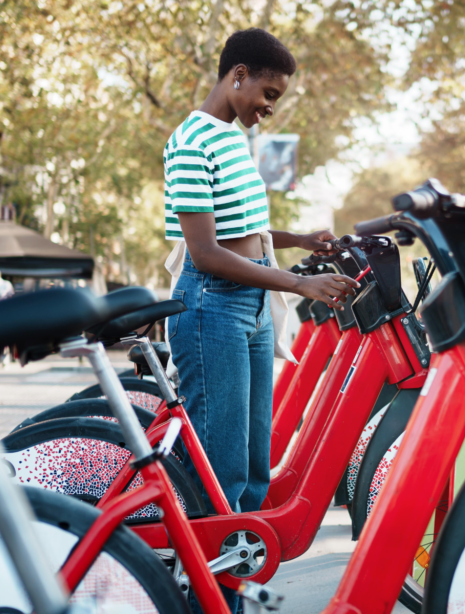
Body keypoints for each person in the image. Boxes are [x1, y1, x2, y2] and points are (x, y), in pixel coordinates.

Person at [163, 28, 359, 611]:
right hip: (211, 305)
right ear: (238, 75)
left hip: (246, 307)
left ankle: (236, 592)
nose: (268, 107)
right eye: (266, 93)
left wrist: (302, 241)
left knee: (250, 469)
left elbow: (242, 231)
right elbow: (204, 251)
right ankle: (207, 597)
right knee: (220, 475)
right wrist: (301, 282)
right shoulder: (191, 139)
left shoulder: (228, 140)